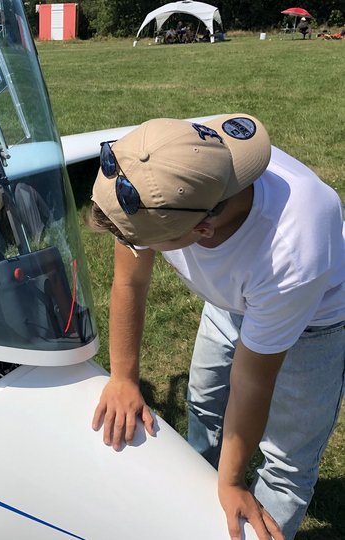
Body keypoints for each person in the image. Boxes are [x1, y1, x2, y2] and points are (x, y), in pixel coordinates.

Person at [88, 114, 344, 540]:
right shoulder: (163, 159)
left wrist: (231, 482)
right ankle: (191, 515)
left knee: (286, 463)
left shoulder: (294, 251)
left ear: (202, 230)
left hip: (312, 322)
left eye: (141, 243)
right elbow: (128, 281)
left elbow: (251, 383)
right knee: (204, 403)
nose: (131, 249)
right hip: (233, 298)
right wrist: (123, 377)